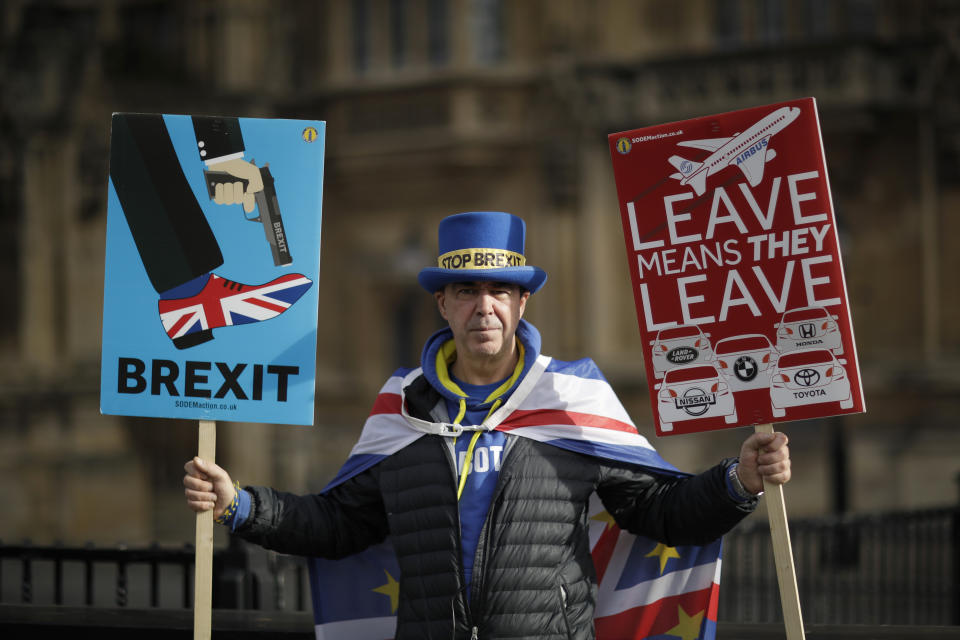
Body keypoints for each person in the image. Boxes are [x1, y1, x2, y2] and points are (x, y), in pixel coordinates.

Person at [183, 211, 791, 639]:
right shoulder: (403, 409)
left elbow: (660, 512)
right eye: (466, 290)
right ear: (442, 304)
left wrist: (739, 479)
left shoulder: (571, 397)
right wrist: (240, 504)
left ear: (522, 303)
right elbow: (340, 525)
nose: (484, 306)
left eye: (501, 289)